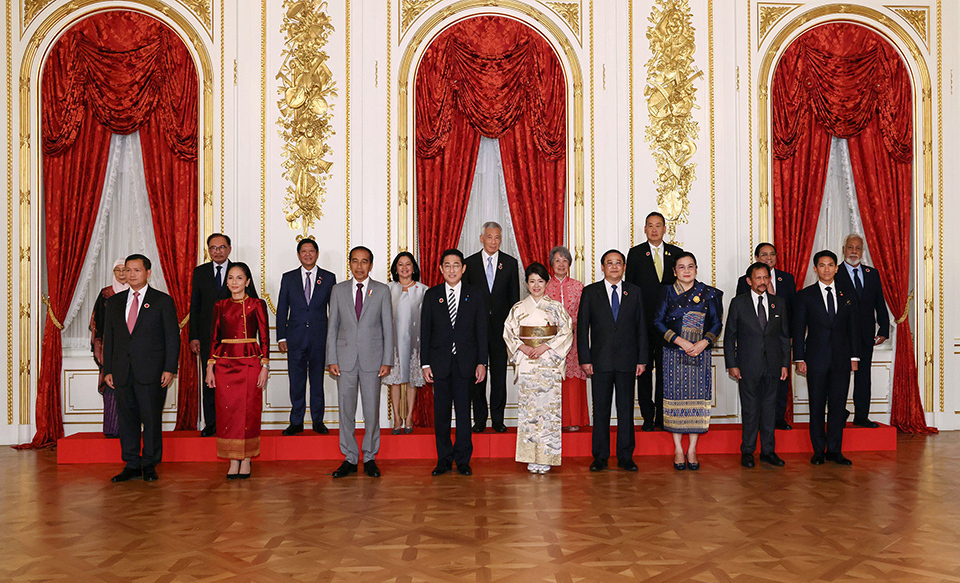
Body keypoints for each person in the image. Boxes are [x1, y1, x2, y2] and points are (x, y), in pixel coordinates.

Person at [102, 254, 180, 483]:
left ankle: (150, 464)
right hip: (122, 371)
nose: (131, 274)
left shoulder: (162, 301)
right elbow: (109, 339)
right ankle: (132, 464)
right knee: (127, 420)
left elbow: (172, 338)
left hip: (152, 372)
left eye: (137, 270)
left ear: (148, 272)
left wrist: (169, 368)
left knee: (152, 419)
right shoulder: (114, 302)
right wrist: (108, 369)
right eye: (128, 270)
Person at [326, 246, 394, 478]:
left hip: (373, 360)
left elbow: (388, 327)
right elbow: (332, 327)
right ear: (350, 264)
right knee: (346, 411)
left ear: (371, 265)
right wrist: (331, 358)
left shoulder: (382, 290)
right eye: (355, 261)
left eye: (364, 261)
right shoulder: (338, 290)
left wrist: (387, 360)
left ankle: (370, 456)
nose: (359, 266)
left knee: (372, 410)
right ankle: (350, 458)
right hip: (344, 360)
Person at [577, 249, 648, 472]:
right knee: (601, 410)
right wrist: (585, 358)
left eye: (618, 263)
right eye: (610, 263)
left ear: (624, 267)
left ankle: (625, 456)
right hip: (600, 361)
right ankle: (600, 456)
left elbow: (641, 327)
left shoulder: (634, 292)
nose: (614, 267)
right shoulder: (591, 292)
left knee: (626, 410)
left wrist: (642, 359)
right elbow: (582, 328)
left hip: (628, 361)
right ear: (602, 267)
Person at [421, 249, 488, 477]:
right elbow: (425, 331)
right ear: (441, 269)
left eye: (456, 265)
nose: (452, 270)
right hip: (439, 365)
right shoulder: (432, 295)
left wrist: (482, 362)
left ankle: (463, 460)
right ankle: (443, 459)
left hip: (466, 364)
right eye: (447, 265)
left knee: (463, 414)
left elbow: (482, 331)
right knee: (441, 416)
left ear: (463, 268)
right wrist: (425, 364)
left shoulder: (475, 294)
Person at [654, 251, 723, 471]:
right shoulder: (666, 292)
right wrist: (680, 341)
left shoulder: (709, 293)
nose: (686, 271)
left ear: (696, 269)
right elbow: (657, 321)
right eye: (681, 267)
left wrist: (704, 342)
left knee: (697, 400)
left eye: (690, 266)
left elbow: (717, 323)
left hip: (700, 352)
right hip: (674, 352)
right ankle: (677, 449)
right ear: (674, 271)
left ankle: (692, 448)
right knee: (674, 399)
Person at [503, 262, 573, 474]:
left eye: (540, 281)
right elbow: (508, 332)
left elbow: (566, 332)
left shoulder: (556, 308)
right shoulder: (518, 308)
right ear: (526, 283)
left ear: (546, 283)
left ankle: (546, 457)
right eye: (532, 281)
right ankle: (530, 457)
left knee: (548, 412)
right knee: (529, 411)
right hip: (527, 362)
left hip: (548, 362)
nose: (536, 285)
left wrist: (546, 347)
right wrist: (522, 347)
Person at [793, 250, 861, 466]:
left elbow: (854, 328)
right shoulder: (805, 295)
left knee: (838, 406)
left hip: (842, 359)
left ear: (836, 268)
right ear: (815, 269)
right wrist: (799, 358)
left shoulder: (847, 294)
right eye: (822, 265)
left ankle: (835, 450)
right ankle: (818, 451)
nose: (826, 269)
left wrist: (854, 357)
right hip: (816, 359)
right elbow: (798, 329)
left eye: (830, 265)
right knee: (817, 406)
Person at [189, 233, 258, 437]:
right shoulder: (200, 272)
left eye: (221, 247)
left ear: (229, 249)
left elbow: (252, 302)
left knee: (234, 384)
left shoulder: (238, 270)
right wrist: (194, 336)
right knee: (210, 380)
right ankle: (211, 424)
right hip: (207, 336)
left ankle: (233, 422)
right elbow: (195, 306)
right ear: (208, 250)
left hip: (234, 338)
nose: (217, 251)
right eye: (213, 248)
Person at [205, 263, 269, 479]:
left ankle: (247, 458)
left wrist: (265, 366)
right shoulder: (220, 305)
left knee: (249, 411)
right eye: (230, 278)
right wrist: (210, 367)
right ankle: (233, 459)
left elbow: (265, 337)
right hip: (224, 364)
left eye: (239, 278)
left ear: (248, 282)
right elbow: (213, 338)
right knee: (228, 411)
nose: (234, 282)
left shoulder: (257, 304)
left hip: (250, 362)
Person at [724, 262, 790, 468]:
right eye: (758, 278)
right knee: (751, 410)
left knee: (770, 410)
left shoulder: (778, 303)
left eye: (765, 277)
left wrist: (785, 364)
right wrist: (732, 364)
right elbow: (729, 336)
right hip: (747, 365)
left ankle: (768, 451)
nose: (762, 282)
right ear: (749, 281)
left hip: (773, 365)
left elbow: (784, 336)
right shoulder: (738, 303)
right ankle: (748, 451)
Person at [625, 212, 683, 431]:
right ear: (645, 229)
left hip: (669, 326)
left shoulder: (675, 253)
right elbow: (630, 289)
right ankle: (648, 418)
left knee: (666, 373)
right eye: (650, 225)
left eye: (658, 225)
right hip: (643, 325)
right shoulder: (636, 253)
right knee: (644, 372)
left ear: (665, 229)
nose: (654, 229)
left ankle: (663, 417)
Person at [462, 221, 520, 433]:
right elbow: (465, 299)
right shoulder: (469, 263)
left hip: (500, 331)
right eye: (489, 237)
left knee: (499, 376)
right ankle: (479, 419)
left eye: (497, 237)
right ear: (481, 238)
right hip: (475, 331)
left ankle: (497, 419)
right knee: (478, 375)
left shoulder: (510, 263)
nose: (493, 241)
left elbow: (514, 301)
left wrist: (512, 330)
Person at [276, 238, 336, 435]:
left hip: (320, 339)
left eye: (311, 251)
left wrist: (333, 339)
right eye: (304, 251)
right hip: (295, 338)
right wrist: (281, 337)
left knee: (317, 382)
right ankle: (296, 422)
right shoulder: (288, 278)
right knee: (296, 382)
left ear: (317, 254)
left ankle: (318, 421)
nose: (308, 255)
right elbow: (282, 308)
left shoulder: (328, 278)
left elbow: (334, 311)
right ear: (298, 254)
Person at [735, 242, 797, 430]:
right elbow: (741, 313)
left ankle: (779, 418)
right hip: (753, 345)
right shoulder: (744, 281)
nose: (768, 257)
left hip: (779, 340)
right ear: (756, 257)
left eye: (772, 254)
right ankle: (757, 425)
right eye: (764, 254)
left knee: (780, 383)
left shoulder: (787, 279)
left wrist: (791, 337)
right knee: (754, 393)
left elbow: (792, 309)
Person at [834, 234, 889, 428]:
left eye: (858, 248)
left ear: (862, 251)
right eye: (850, 247)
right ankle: (838, 415)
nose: (854, 251)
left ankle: (861, 416)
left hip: (866, 335)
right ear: (844, 250)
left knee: (863, 377)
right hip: (842, 335)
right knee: (840, 377)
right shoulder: (835, 272)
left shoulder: (872, 273)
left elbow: (879, 302)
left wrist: (884, 328)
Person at [382, 252, 428, 434]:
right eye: (400, 264)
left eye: (408, 264)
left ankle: (408, 417)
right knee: (394, 381)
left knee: (411, 381)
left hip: (415, 342)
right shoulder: (387, 289)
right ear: (395, 268)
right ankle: (396, 417)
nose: (404, 268)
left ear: (413, 267)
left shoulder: (423, 290)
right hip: (393, 342)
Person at [545, 246, 589, 432]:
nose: (561, 264)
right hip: (551, 342)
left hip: (574, 340)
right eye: (557, 260)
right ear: (551, 264)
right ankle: (554, 421)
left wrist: (571, 325)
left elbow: (584, 313)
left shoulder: (579, 286)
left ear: (569, 264)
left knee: (572, 380)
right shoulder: (545, 287)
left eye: (565, 261)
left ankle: (573, 419)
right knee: (553, 379)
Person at [89, 258, 128, 438]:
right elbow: (98, 323)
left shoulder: (137, 293)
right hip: (111, 347)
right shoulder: (106, 294)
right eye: (117, 270)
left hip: (133, 348)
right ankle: (112, 429)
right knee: (112, 385)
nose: (121, 274)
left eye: (124, 269)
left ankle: (130, 429)